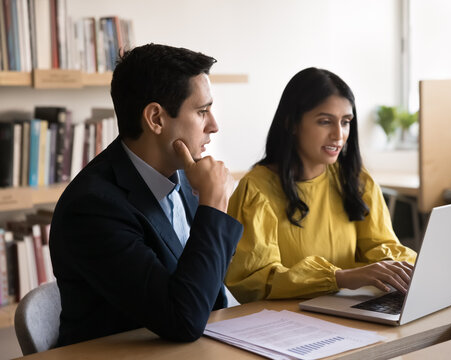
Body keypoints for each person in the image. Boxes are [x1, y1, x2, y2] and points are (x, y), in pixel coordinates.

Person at [49, 44, 243, 347]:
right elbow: (183, 320)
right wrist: (213, 206)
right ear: (156, 118)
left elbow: (211, 291)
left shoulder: (184, 175)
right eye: (202, 111)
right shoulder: (92, 208)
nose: (214, 126)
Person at [225, 67, 416, 304]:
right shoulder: (255, 190)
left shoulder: (356, 180)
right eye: (325, 122)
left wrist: (402, 268)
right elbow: (253, 280)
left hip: (351, 311)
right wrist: (339, 277)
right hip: (289, 322)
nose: (338, 134)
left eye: (345, 122)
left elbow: (381, 245)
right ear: (291, 123)